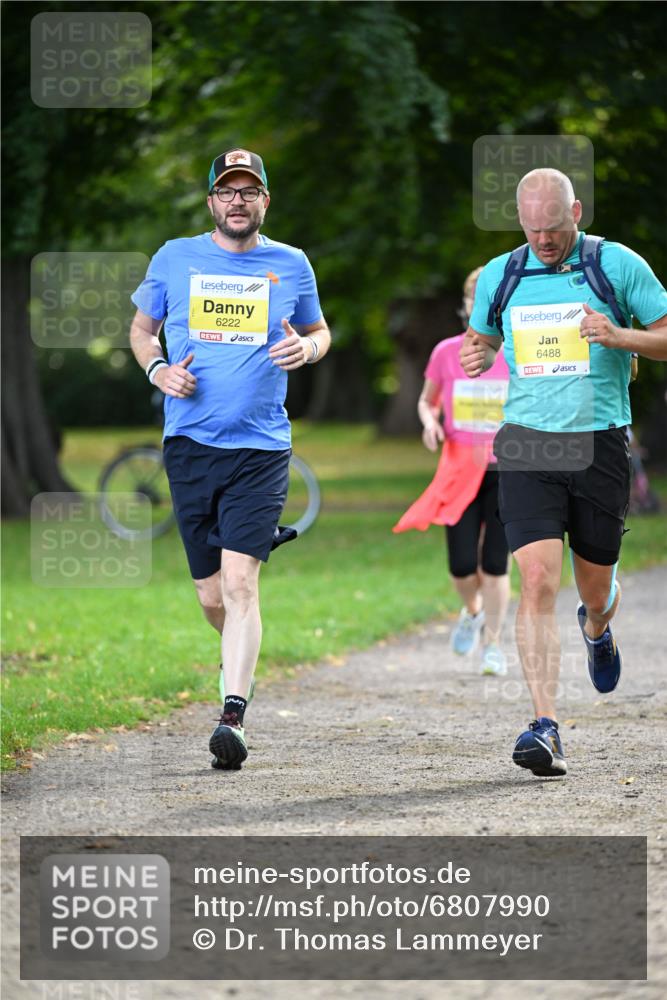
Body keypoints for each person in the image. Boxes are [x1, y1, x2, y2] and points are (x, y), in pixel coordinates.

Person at [460, 167, 667, 777]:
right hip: (528, 444)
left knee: (593, 588)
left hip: (600, 442)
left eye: (553, 228)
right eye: (532, 229)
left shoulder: (617, 264)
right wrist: (481, 352)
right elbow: (484, 340)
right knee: (538, 581)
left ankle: (598, 625)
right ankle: (544, 726)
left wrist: (619, 335)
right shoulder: (502, 273)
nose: (543, 241)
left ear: (577, 211)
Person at [129, 148, 330, 771]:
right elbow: (142, 331)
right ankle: (236, 665)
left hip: (262, 447)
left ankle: (232, 717)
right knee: (212, 596)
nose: (237, 200)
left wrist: (309, 350)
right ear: (212, 201)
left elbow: (320, 331)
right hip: (189, 447)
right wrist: (159, 369)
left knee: (242, 583)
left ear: (265, 201)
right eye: (226, 190)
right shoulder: (174, 257)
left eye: (249, 190)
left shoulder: (291, 264)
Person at [393, 268, 511, 676]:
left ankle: (493, 645)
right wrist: (430, 422)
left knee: (495, 564)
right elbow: (428, 402)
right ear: (464, 308)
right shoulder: (446, 353)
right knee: (462, 565)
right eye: (472, 300)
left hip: (506, 469)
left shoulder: (515, 354)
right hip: (459, 468)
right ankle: (473, 610)